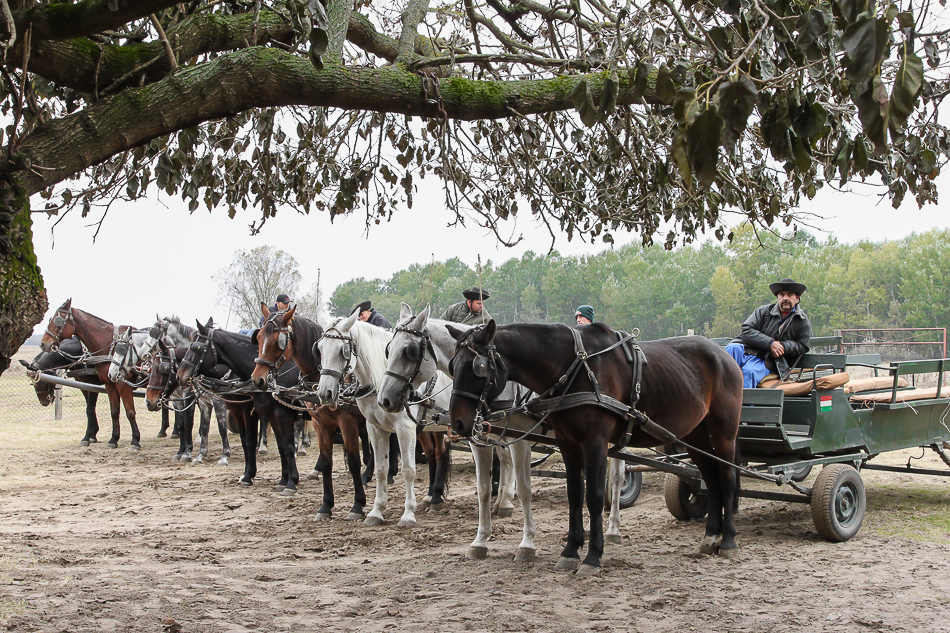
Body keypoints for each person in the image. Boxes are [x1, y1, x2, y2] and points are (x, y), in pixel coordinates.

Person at [725, 278, 812, 388]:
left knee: (749, 372)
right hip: (750, 349)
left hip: (770, 360)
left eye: (790, 295)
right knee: (732, 348)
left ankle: (744, 405)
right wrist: (770, 343)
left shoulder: (802, 321)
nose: (786, 298)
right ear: (777, 297)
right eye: (782, 295)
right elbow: (746, 329)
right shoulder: (763, 311)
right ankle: (715, 393)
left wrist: (782, 347)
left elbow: (803, 346)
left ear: (797, 298)